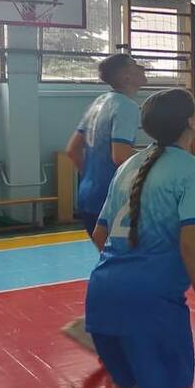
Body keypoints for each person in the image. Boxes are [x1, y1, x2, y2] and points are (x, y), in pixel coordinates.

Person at [66, 88, 195, 388]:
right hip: (151, 302)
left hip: (103, 292)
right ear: (191, 122)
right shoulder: (194, 171)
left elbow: (100, 234)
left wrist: (128, 268)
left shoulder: (129, 166)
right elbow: (191, 242)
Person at [62, 53, 147, 350]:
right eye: (135, 65)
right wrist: (155, 160)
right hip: (111, 200)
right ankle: (94, 325)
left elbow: (72, 150)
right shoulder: (126, 106)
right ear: (125, 76)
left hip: (89, 195)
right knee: (127, 266)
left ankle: (106, 327)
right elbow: (120, 155)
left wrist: (91, 178)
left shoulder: (99, 103)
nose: (142, 68)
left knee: (117, 265)